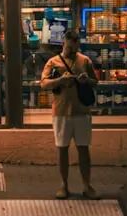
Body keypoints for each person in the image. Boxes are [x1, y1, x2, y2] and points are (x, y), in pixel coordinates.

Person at [41, 29, 99, 200]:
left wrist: (86, 80)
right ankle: (63, 185)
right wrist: (60, 80)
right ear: (64, 43)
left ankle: (87, 185)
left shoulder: (85, 60)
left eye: (75, 47)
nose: (73, 51)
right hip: (61, 112)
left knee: (83, 149)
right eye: (70, 47)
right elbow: (43, 83)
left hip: (82, 111)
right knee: (62, 149)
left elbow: (95, 82)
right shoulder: (53, 62)